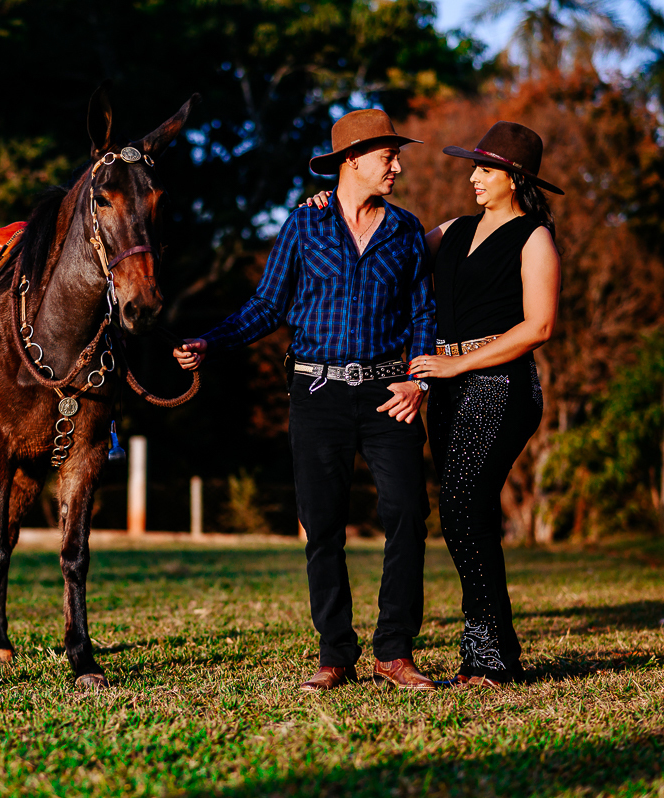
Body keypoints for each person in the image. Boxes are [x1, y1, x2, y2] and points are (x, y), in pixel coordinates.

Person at [173, 109, 438, 692]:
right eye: (387, 156)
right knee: (322, 526)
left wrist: (419, 382)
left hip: (389, 394)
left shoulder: (406, 230)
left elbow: (424, 314)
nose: (396, 166)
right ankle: (335, 653)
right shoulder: (304, 224)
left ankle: (395, 652)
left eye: (396, 157)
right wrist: (210, 342)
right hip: (317, 393)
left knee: (407, 516)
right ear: (352, 161)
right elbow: (268, 304)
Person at [408, 121, 562, 688]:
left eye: (486, 169)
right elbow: (393, 251)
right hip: (447, 386)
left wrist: (458, 364)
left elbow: (538, 326)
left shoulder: (534, 238)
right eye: (474, 167)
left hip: (500, 384)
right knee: (465, 512)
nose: (474, 177)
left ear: (514, 179)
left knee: (462, 508)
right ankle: (495, 649)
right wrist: (333, 208)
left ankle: (490, 653)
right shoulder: (452, 230)